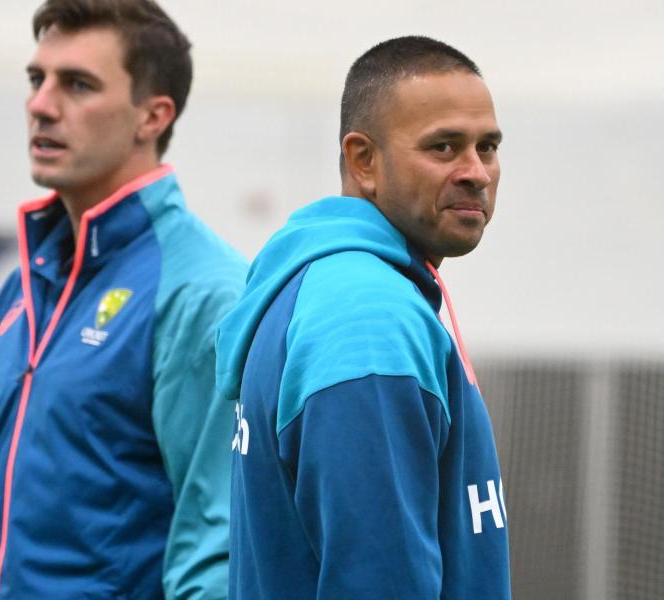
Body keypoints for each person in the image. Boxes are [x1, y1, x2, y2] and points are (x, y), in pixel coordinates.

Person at [0, 1, 245, 598]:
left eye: (77, 84)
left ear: (153, 116)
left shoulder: (203, 292)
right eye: (36, 79)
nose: (41, 104)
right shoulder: (23, 286)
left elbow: (216, 559)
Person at [215, 36, 511, 598]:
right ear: (363, 160)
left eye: (488, 147)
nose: (477, 172)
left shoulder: (333, 288)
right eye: (444, 147)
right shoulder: (366, 316)